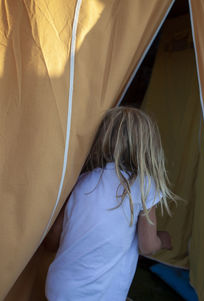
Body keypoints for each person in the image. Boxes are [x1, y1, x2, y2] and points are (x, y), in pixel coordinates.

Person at [44, 107, 175, 301]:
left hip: (59, 289)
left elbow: (53, 238)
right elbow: (147, 245)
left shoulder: (82, 181)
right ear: (147, 146)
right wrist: (163, 240)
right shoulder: (144, 185)